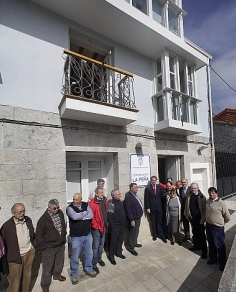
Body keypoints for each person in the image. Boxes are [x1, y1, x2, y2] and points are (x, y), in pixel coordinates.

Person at [1, 203, 35, 292]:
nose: (22, 213)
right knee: (14, 283)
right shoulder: (6, 226)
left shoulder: (28, 220)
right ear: (13, 213)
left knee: (27, 278)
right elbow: (3, 243)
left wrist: (33, 246)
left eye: (23, 211)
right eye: (20, 212)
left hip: (29, 253)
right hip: (15, 258)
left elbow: (32, 233)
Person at [36, 199, 66, 292]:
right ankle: (45, 286)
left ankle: (57, 275)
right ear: (49, 208)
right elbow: (38, 235)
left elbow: (63, 224)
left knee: (59, 262)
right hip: (49, 248)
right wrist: (44, 247)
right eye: (54, 208)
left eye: (57, 207)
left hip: (60, 244)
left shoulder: (60, 213)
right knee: (47, 268)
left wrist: (64, 234)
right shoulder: (43, 220)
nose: (56, 209)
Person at [67, 193, 97, 285]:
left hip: (87, 234)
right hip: (76, 236)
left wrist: (80, 216)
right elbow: (74, 217)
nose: (74, 201)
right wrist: (84, 213)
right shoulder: (69, 208)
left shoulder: (86, 204)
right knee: (75, 256)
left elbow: (91, 215)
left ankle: (88, 268)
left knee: (89, 253)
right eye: (74, 199)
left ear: (81, 199)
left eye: (76, 199)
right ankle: (74, 273)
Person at [206, 187, 230, 271]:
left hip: (217, 227)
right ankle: (213, 259)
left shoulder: (221, 203)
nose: (211, 195)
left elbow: (227, 216)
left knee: (219, 245)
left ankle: (222, 263)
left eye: (213, 193)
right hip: (209, 225)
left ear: (216, 193)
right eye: (210, 193)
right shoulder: (208, 201)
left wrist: (222, 223)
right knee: (211, 242)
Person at [184, 183, 208, 259]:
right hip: (192, 218)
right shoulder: (189, 196)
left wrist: (203, 219)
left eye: (194, 188)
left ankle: (204, 251)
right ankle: (196, 246)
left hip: (199, 219)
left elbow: (205, 210)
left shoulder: (202, 197)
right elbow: (186, 206)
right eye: (192, 188)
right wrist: (186, 214)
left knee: (201, 235)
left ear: (198, 188)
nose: (193, 190)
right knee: (194, 233)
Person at [89, 187, 108, 274]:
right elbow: (91, 217)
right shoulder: (92, 203)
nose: (102, 194)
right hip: (96, 229)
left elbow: (106, 211)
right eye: (100, 192)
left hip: (103, 226)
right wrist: (95, 226)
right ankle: (94, 264)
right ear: (96, 194)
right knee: (95, 247)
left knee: (101, 245)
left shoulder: (104, 200)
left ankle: (99, 259)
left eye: (103, 192)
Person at [144, 176, 166, 242]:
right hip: (152, 207)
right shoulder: (148, 188)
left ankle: (161, 235)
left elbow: (161, 195)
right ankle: (155, 235)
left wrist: (166, 196)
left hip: (159, 206)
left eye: (154, 180)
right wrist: (147, 208)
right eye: (152, 180)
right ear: (151, 180)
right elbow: (146, 199)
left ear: (156, 180)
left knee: (159, 221)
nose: (153, 181)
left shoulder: (159, 187)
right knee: (153, 221)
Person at [124, 183, 143, 256]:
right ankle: (131, 247)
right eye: (135, 188)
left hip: (138, 217)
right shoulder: (128, 196)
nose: (137, 189)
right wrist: (131, 220)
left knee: (136, 232)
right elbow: (128, 209)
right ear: (131, 188)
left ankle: (135, 243)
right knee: (132, 233)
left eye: (137, 187)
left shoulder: (134, 195)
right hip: (133, 219)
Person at [107, 189, 126, 265]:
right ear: (114, 195)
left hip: (122, 225)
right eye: (118, 194)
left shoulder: (120, 202)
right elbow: (109, 216)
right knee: (113, 242)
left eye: (120, 193)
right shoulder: (111, 204)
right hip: (115, 226)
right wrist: (113, 225)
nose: (120, 195)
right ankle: (111, 257)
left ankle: (119, 253)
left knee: (120, 240)